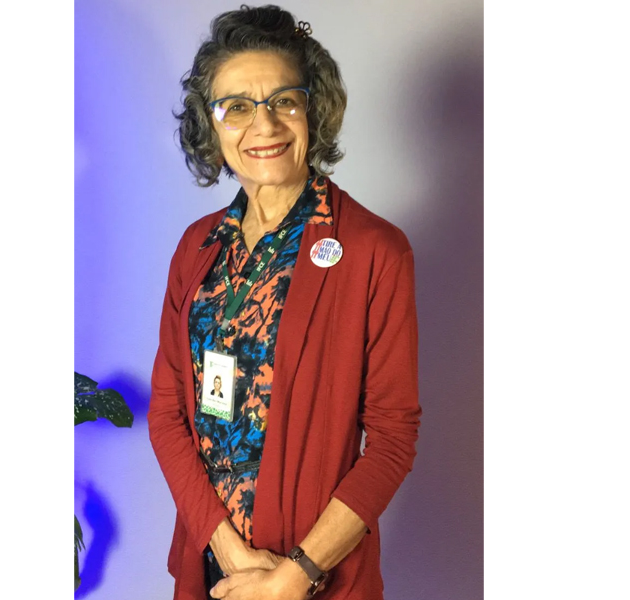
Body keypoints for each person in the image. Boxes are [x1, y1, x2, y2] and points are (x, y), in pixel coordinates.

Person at [148, 5, 420, 599]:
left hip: (313, 577)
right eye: (237, 106)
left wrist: (293, 576)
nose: (263, 124)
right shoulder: (195, 248)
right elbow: (167, 414)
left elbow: (392, 440)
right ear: (212, 126)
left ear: (313, 110)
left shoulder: (374, 250)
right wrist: (228, 550)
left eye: (284, 101)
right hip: (211, 565)